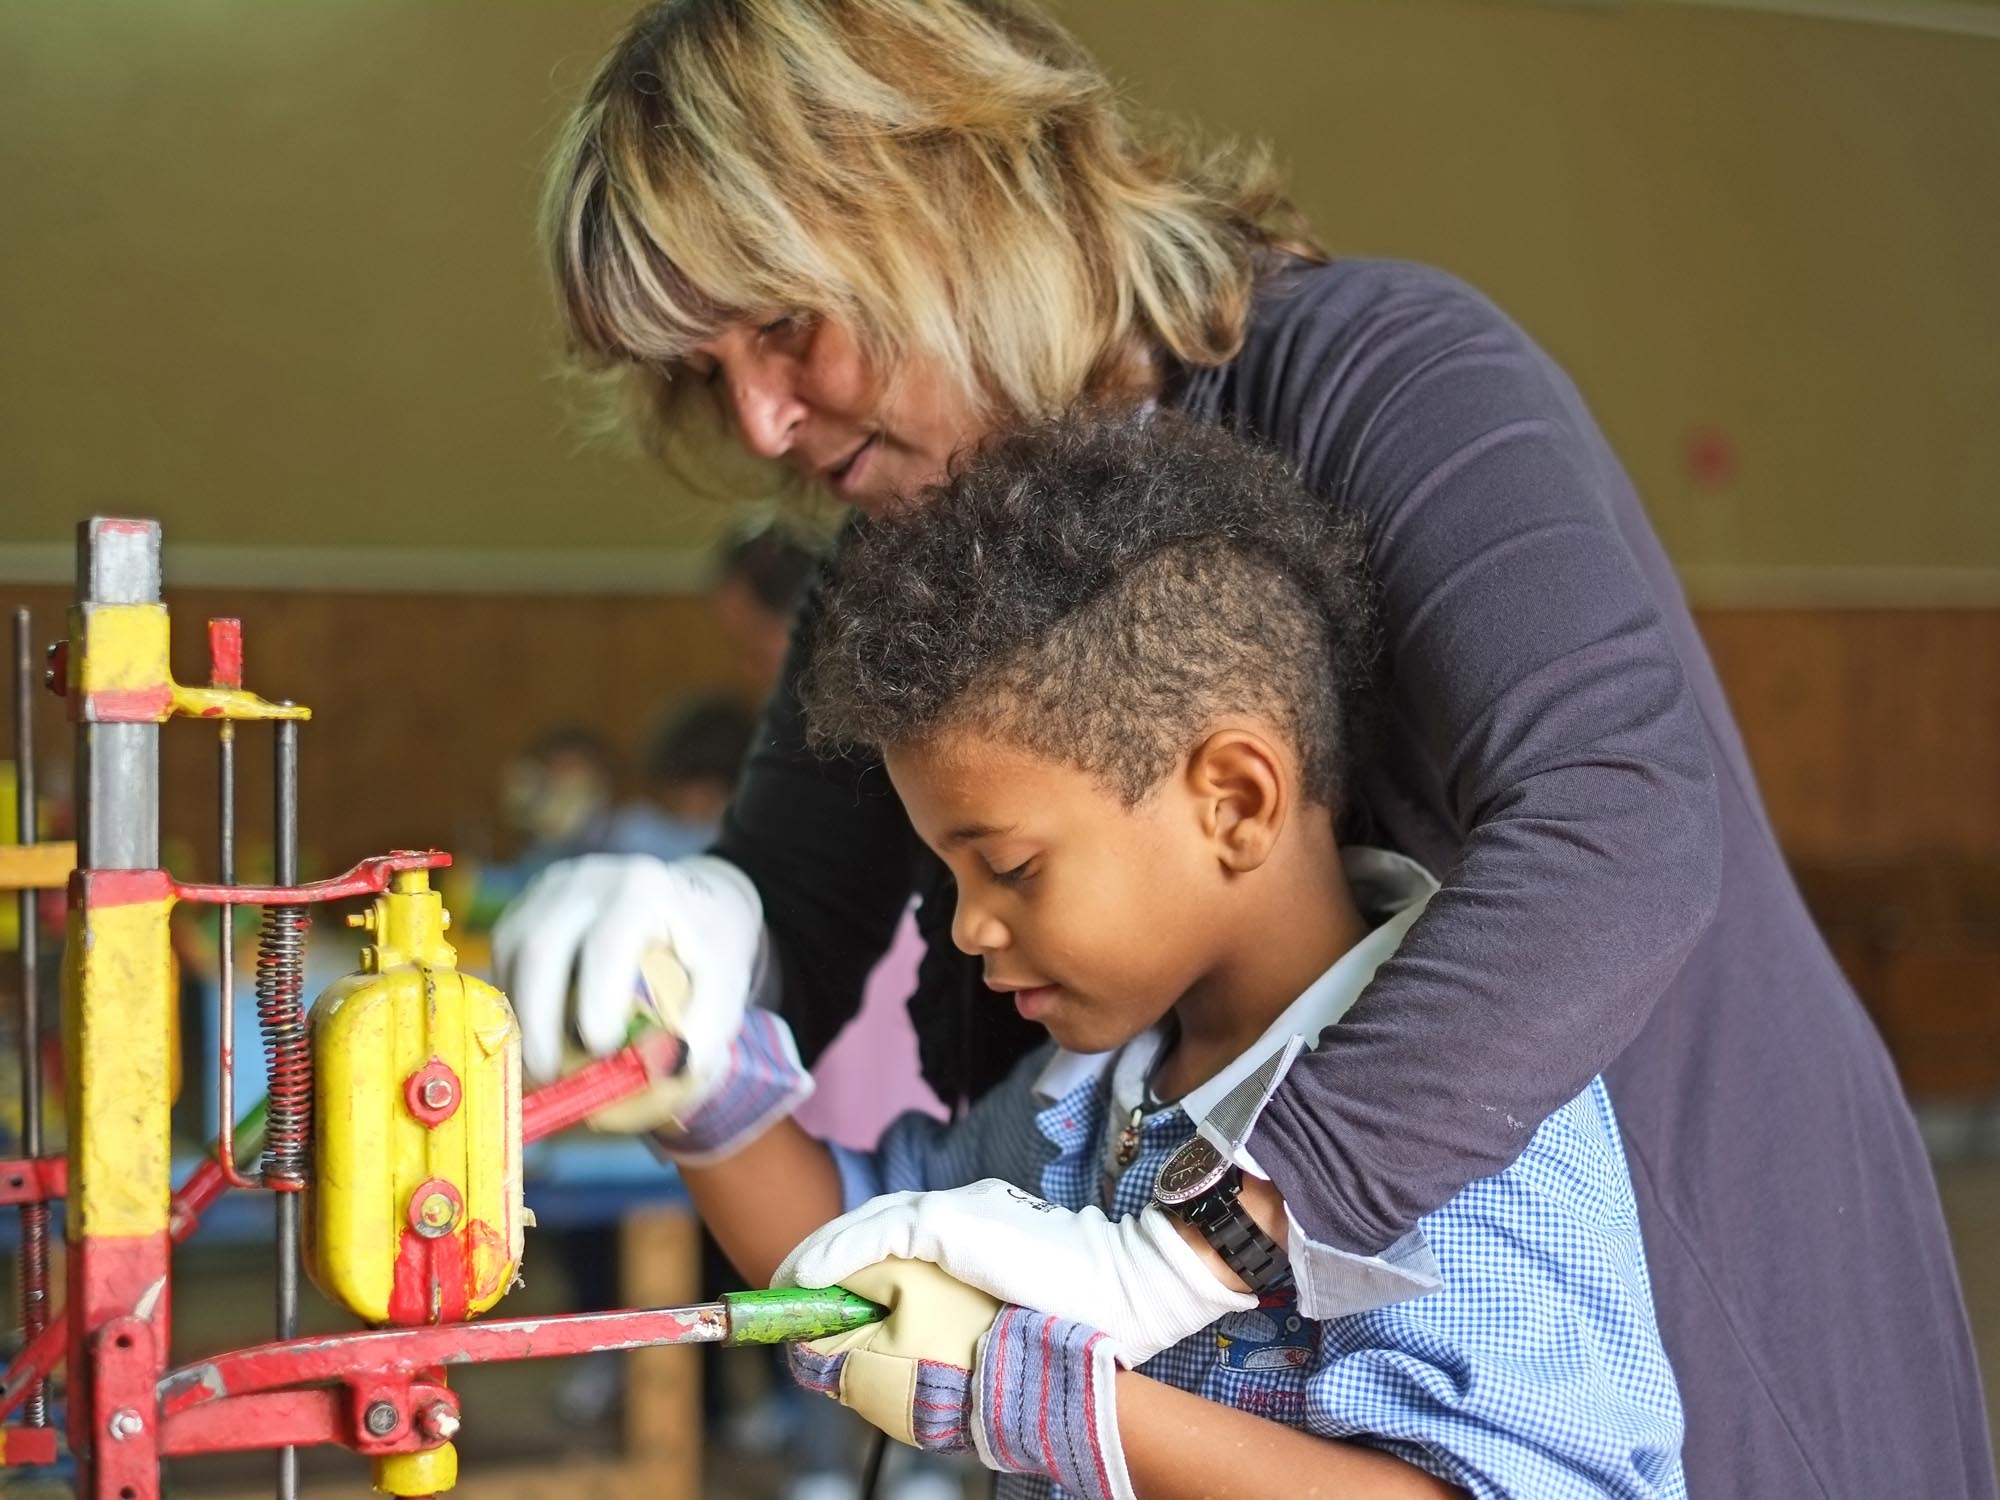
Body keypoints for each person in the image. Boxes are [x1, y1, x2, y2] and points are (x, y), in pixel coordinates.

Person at [500, 3, 1995, 1496]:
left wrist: (1192, 1244)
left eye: (782, 325)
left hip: (1670, 1264)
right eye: (701, 373)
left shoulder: (1377, 369)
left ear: (946, 196)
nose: (759, 423)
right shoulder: (923, 538)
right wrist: (695, 936)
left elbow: (1619, 823)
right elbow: (790, 924)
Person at [633, 412, 1686, 1499]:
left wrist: (1072, 1413)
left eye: (1010, 867)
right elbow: (852, 1255)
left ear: (1232, 802)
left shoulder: (1465, 1121)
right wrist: (700, 1086)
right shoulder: (1085, 1095)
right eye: (952, 879)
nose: (967, 930)